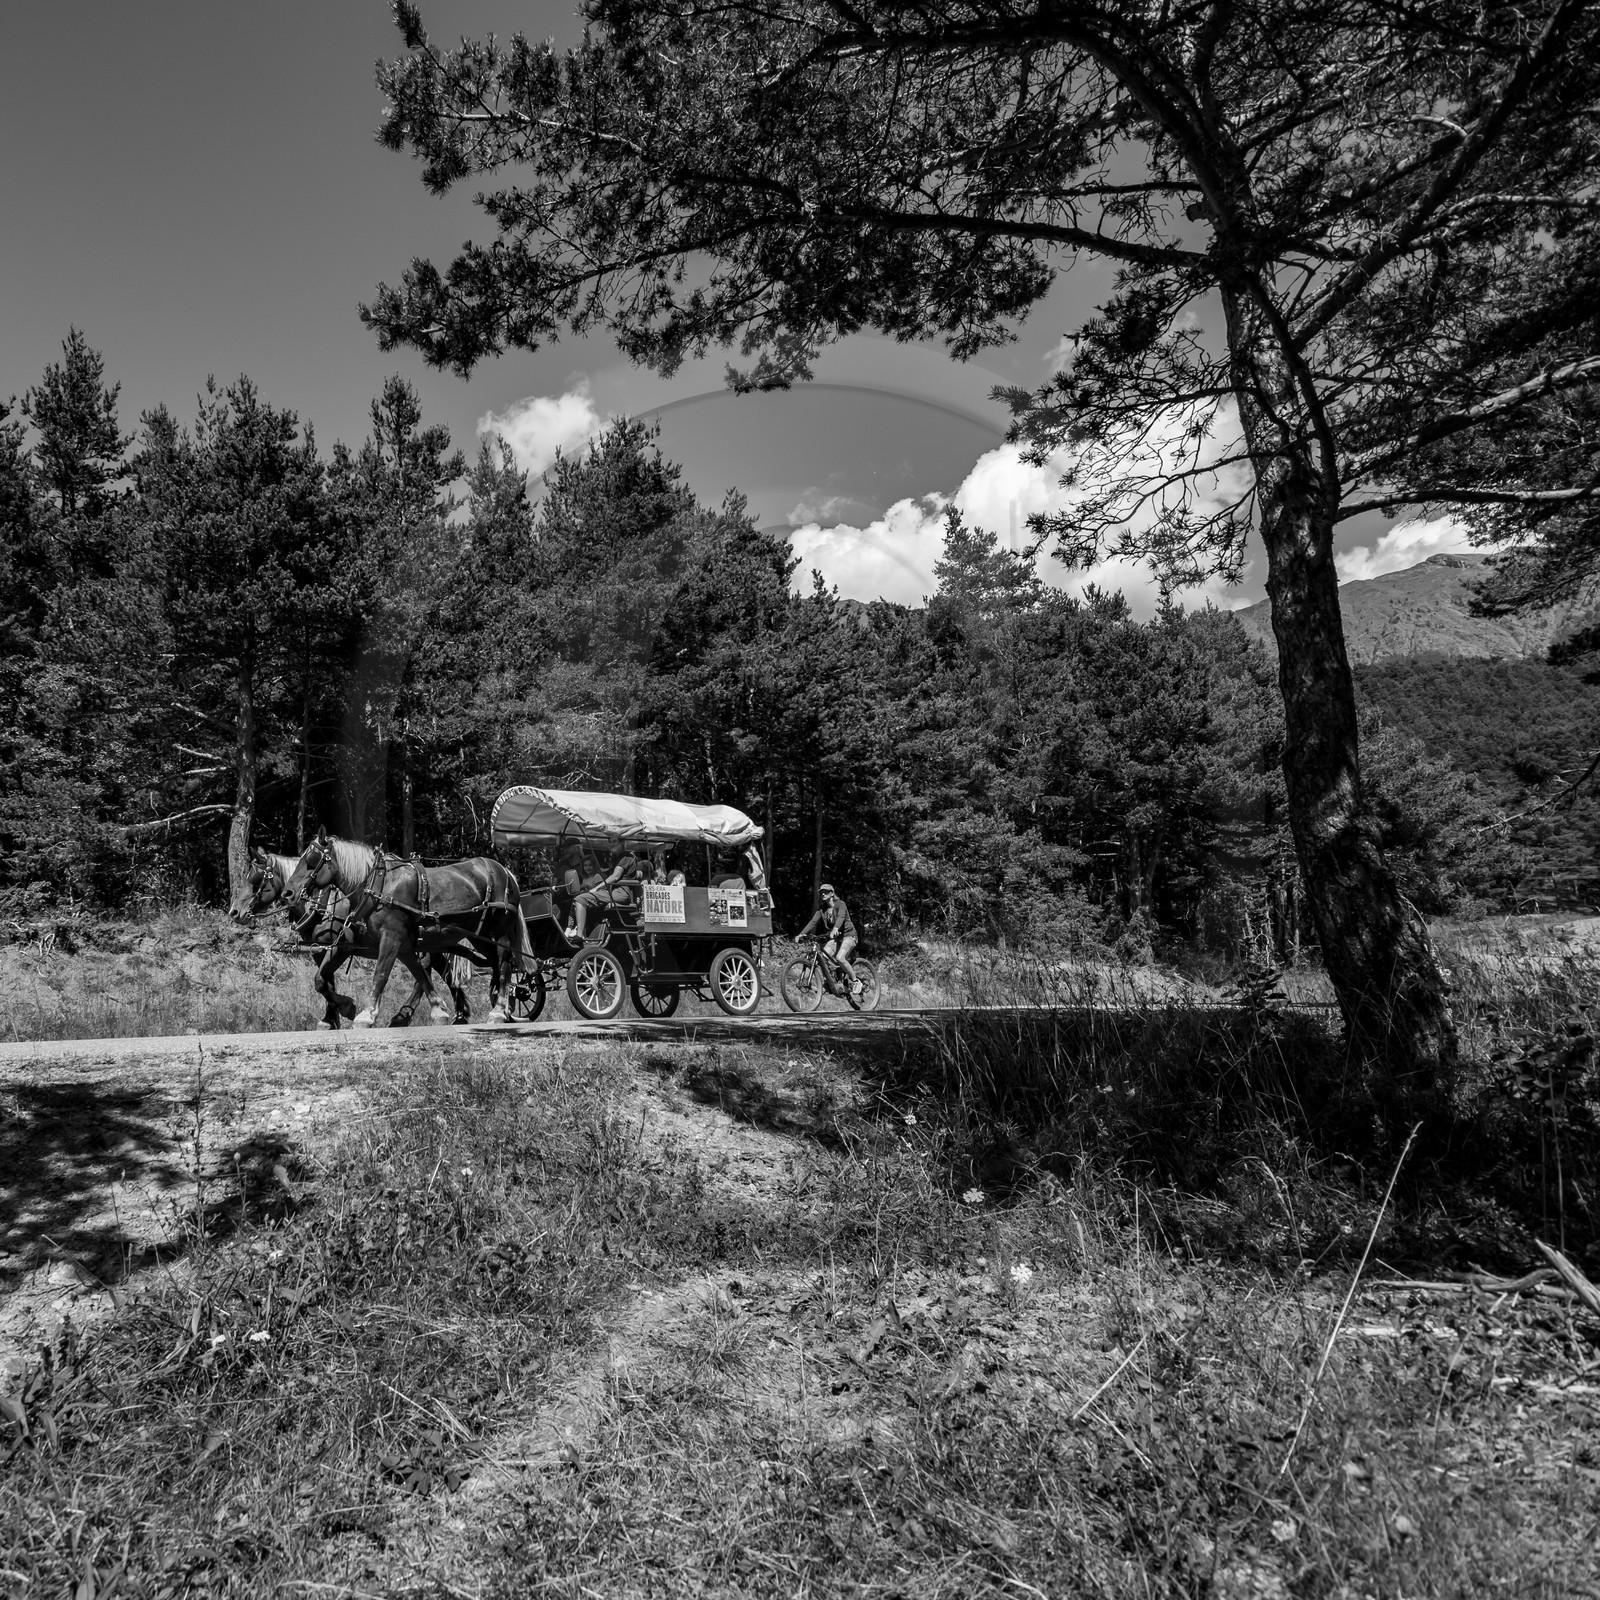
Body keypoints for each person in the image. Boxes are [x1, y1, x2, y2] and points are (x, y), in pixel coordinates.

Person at [568, 842, 646, 944]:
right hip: (614, 891)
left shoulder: (625, 857)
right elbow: (609, 872)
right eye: (609, 841)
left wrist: (596, 888)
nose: (611, 844)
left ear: (621, 843)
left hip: (620, 893)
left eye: (614, 841)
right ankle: (580, 931)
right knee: (580, 899)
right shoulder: (618, 858)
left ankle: (579, 935)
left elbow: (615, 876)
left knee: (580, 899)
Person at [796, 883, 858, 995]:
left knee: (840, 958)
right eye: (821, 892)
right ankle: (831, 982)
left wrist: (835, 928)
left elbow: (841, 917)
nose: (823, 894)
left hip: (849, 936)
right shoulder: (822, 909)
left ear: (832, 893)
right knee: (823, 958)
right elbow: (813, 922)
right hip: (836, 938)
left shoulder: (840, 904)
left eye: (826, 891)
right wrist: (801, 934)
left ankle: (855, 981)